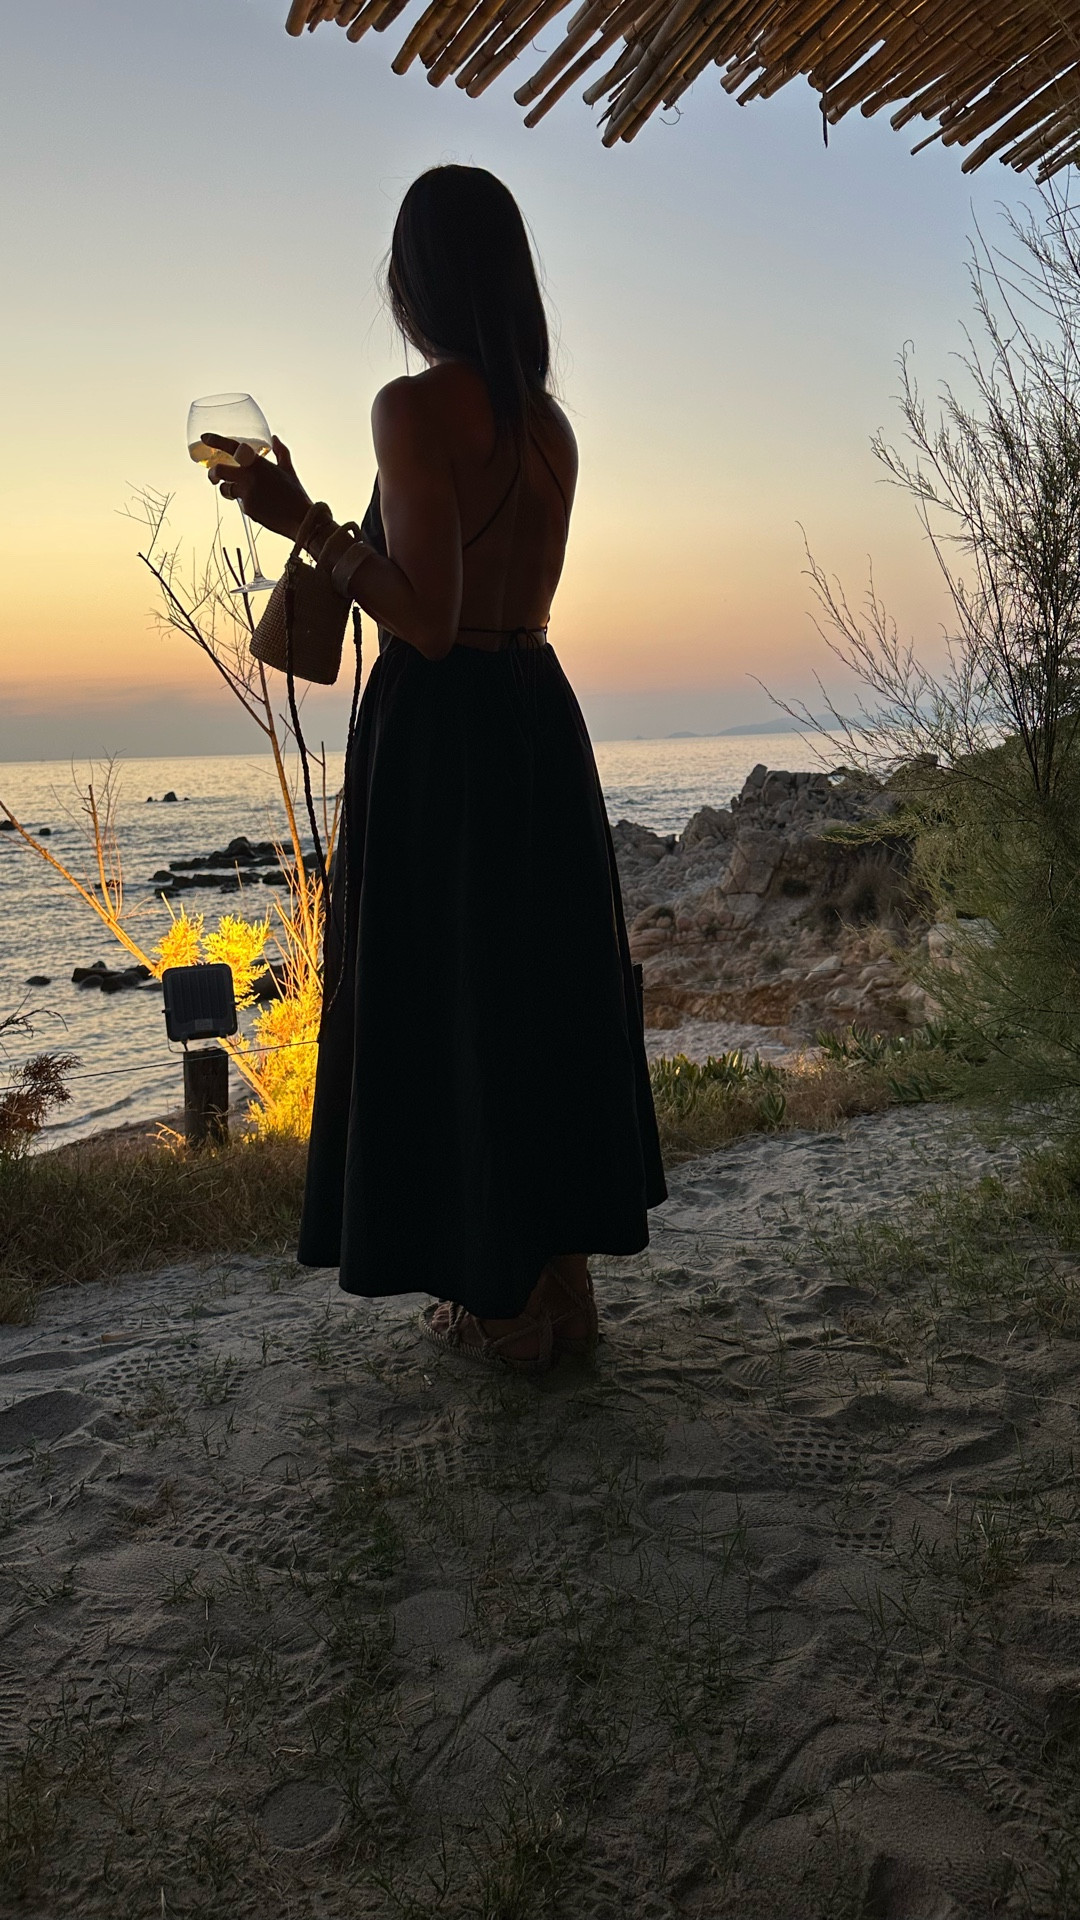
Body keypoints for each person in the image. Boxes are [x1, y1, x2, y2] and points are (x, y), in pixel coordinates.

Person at [205, 164, 666, 1376]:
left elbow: (427, 620)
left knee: (455, 1002)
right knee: (536, 992)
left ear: (415, 282)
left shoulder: (411, 411)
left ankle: (494, 1306)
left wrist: (305, 520)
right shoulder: (547, 424)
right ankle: (557, 1284)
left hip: (448, 735)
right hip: (537, 715)